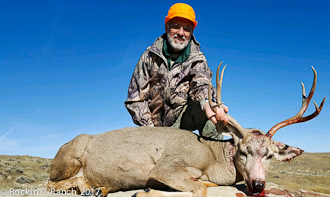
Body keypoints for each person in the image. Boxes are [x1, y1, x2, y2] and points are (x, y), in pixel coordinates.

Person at [124, 3, 229, 140]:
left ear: (191, 32)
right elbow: (135, 99)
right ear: (167, 27)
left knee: (209, 115)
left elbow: (201, 84)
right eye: (176, 27)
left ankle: (217, 157)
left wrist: (209, 105)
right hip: (153, 127)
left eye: (186, 29)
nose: (181, 33)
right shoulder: (150, 56)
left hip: (181, 120)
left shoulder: (197, 59)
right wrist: (149, 130)